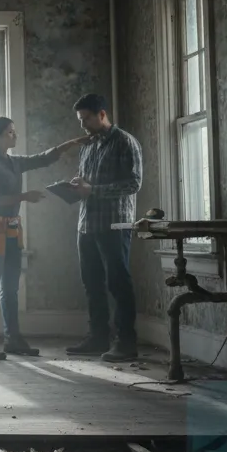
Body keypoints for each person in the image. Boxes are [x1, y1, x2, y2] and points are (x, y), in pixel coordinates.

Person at [0, 117, 90, 360]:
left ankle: (12, 339)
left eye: (14, 132)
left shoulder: (14, 162)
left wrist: (71, 143)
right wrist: (24, 196)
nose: (14, 136)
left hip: (13, 231)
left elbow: (43, 158)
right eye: (9, 133)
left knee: (11, 289)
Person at [64, 94, 144, 361]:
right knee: (92, 282)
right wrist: (79, 185)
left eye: (86, 118)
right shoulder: (88, 146)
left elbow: (134, 183)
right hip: (86, 224)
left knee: (118, 283)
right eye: (80, 120)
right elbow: (87, 183)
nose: (82, 124)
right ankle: (98, 337)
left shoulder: (125, 142)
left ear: (101, 114)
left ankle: (126, 342)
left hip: (114, 223)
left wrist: (93, 189)